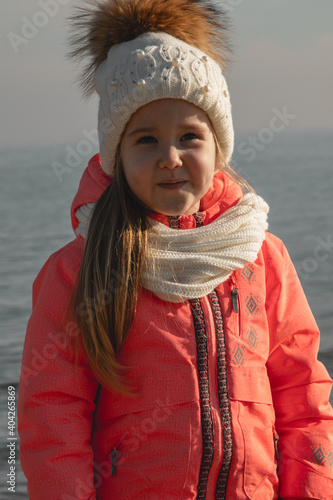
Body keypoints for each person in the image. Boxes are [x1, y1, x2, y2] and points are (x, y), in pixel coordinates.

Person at [18, 0, 333, 499]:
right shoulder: (79, 270)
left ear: (218, 146)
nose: (170, 157)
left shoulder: (260, 255)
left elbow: (303, 393)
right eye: (145, 140)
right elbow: (50, 411)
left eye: (190, 136)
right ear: (116, 154)